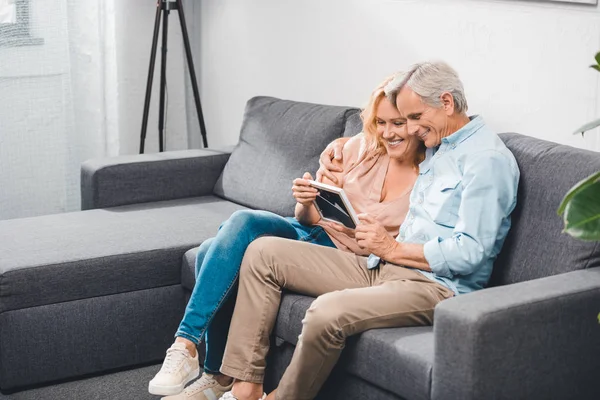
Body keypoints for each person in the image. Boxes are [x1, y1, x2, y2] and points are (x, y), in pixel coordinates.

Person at [217, 61, 520, 400]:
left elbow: (472, 252)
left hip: (435, 287)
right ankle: (245, 389)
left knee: (326, 312)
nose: (411, 130)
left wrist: (391, 248)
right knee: (264, 253)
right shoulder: (441, 140)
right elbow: (383, 132)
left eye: (416, 118)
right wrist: (344, 143)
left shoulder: (486, 160)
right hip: (382, 268)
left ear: (446, 102)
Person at [148, 74, 425, 400]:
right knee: (241, 224)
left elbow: (398, 247)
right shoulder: (358, 150)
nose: (388, 132)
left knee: (213, 249)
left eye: (398, 123)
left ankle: (215, 374)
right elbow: (307, 218)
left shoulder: (431, 178)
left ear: (415, 122)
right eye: (380, 122)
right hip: (311, 230)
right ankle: (187, 344)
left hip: (341, 256)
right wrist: (306, 201)